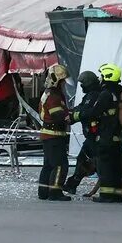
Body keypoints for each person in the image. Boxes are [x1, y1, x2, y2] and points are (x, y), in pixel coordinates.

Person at [88, 63, 122, 203]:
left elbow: (94, 112)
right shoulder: (121, 92)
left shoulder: (106, 94)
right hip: (118, 137)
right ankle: (117, 195)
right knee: (116, 166)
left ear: (107, 76)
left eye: (102, 75)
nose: (100, 79)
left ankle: (106, 195)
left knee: (105, 166)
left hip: (106, 137)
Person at [37, 64, 72, 202]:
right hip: (54, 135)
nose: (64, 83)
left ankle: (43, 191)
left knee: (49, 165)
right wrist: (71, 116)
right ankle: (55, 192)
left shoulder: (48, 92)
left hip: (48, 135)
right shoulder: (54, 96)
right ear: (56, 80)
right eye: (62, 80)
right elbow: (58, 115)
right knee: (60, 164)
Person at [63, 71, 101, 195]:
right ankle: (71, 185)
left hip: (95, 137)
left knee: (86, 161)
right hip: (92, 136)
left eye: (83, 83)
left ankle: (72, 185)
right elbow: (81, 107)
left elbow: (86, 111)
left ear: (89, 83)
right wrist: (71, 112)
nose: (81, 86)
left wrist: (73, 117)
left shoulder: (94, 95)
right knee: (83, 161)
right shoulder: (90, 94)